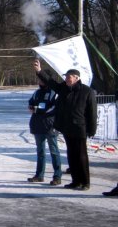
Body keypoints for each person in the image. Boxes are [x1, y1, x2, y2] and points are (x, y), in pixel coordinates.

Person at [33, 60, 97, 190]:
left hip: (80, 128)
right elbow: (51, 82)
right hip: (67, 127)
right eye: (66, 77)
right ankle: (75, 181)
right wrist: (39, 71)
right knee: (71, 155)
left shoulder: (87, 91)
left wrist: (92, 129)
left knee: (81, 156)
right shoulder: (63, 89)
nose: (66, 79)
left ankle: (85, 182)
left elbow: (92, 113)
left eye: (69, 77)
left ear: (76, 78)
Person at [27, 75, 62, 185]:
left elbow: (51, 108)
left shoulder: (54, 92)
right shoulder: (37, 92)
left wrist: (36, 109)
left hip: (50, 126)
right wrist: (34, 108)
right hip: (37, 125)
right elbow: (30, 103)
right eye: (39, 79)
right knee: (40, 151)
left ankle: (57, 176)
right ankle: (39, 175)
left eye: (42, 79)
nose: (40, 81)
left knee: (54, 151)